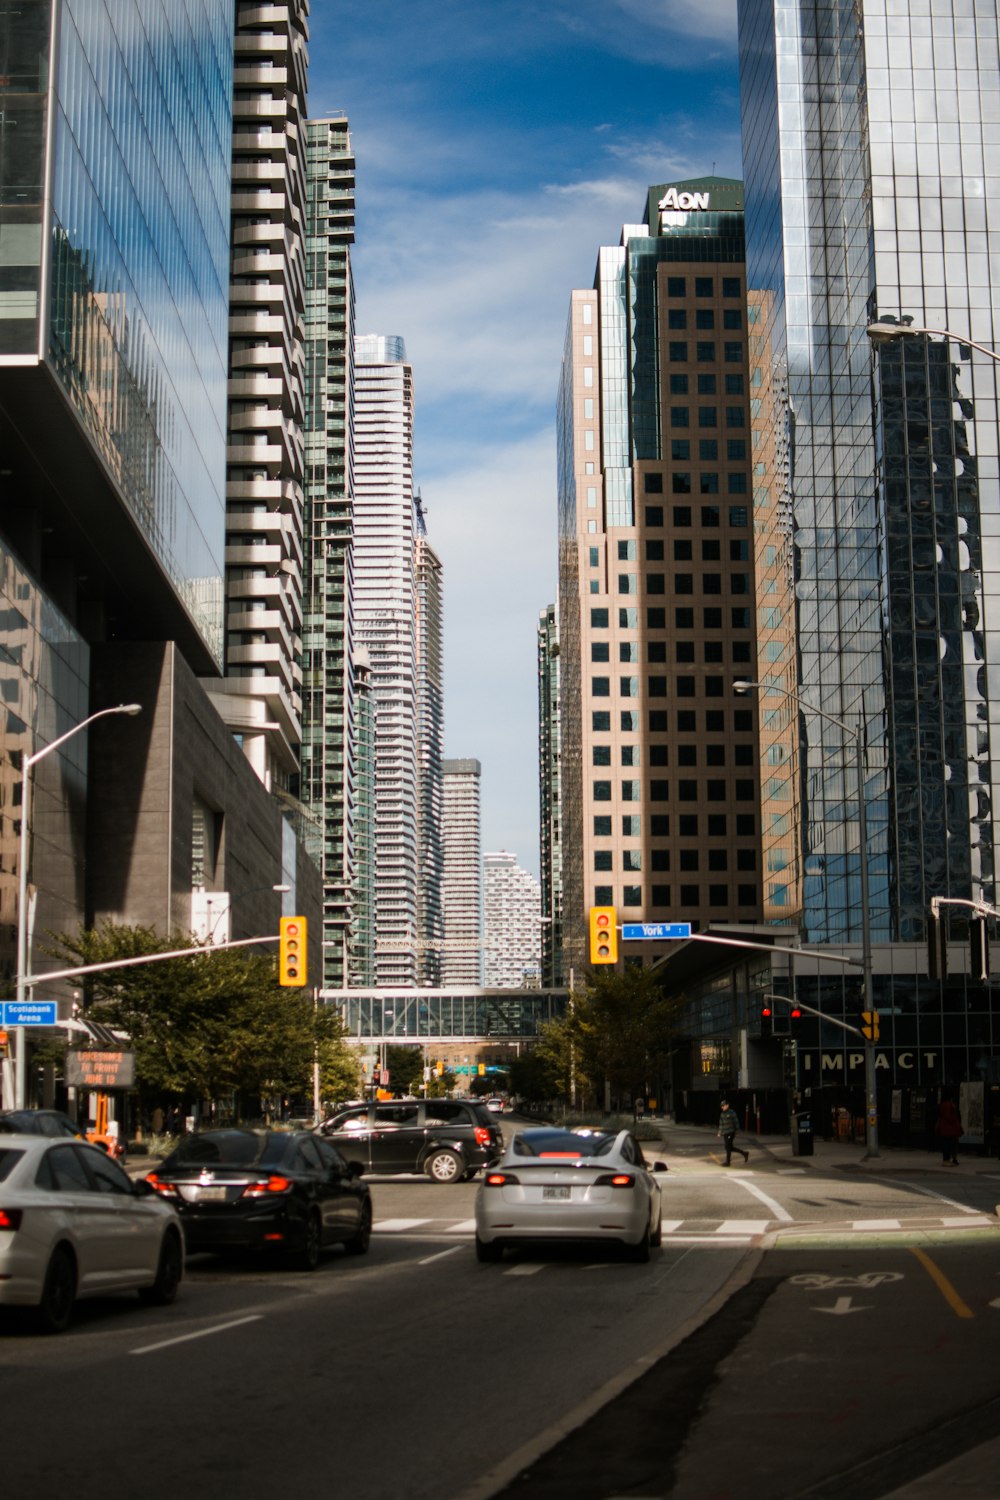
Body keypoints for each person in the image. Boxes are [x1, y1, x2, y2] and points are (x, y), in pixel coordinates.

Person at [717, 1100, 749, 1166]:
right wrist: (720, 1132)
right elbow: (721, 1124)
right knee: (729, 1147)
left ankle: (728, 1162)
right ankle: (744, 1153)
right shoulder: (722, 1114)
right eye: (721, 1106)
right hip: (725, 1133)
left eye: (723, 1106)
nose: (722, 1107)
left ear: (727, 1105)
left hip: (731, 1132)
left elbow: (736, 1121)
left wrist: (737, 1131)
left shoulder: (732, 1112)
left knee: (728, 1147)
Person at [935, 1096, 962, 1165]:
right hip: (950, 1129)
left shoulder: (944, 1106)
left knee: (947, 1144)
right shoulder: (949, 1106)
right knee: (949, 1144)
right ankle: (948, 1159)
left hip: (947, 1129)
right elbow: (949, 1116)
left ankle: (948, 1159)